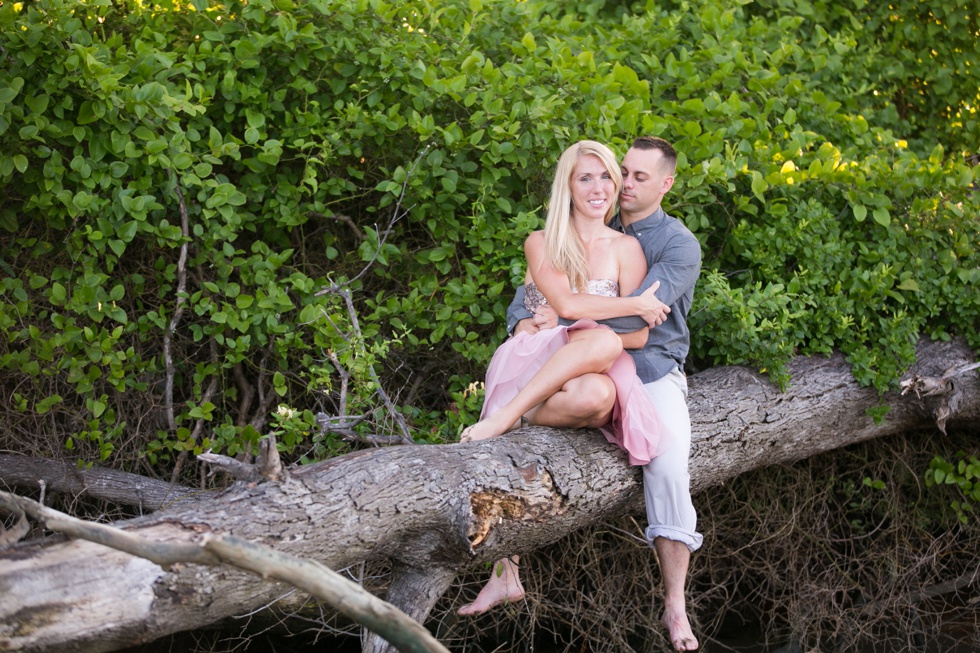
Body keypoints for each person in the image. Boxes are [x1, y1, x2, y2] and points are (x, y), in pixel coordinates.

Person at [497, 137, 703, 652]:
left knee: (669, 464)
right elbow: (526, 303)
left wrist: (559, 308)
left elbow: (636, 319)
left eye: (634, 177)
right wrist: (530, 316)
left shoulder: (674, 244)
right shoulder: (574, 228)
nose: (623, 185)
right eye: (621, 172)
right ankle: (504, 567)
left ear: (665, 184)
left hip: (649, 367)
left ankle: (675, 605)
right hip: (579, 357)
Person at [457, 140, 676, 617]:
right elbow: (572, 306)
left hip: (583, 370)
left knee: (599, 391)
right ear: (568, 187)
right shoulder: (542, 241)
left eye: (605, 178)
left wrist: (600, 315)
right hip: (535, 358)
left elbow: (638, 336)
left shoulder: (627, 247)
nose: (598, 188)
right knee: (602, 341)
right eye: (585, 178)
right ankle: (506, 419)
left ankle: (515, 416)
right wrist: (629, 305)